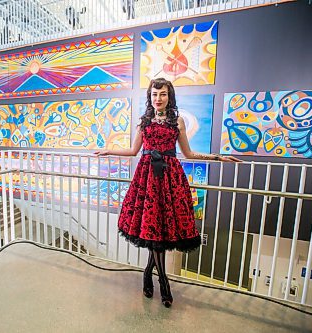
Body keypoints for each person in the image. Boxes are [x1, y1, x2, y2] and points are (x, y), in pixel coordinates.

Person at [95, 77, 241, 308]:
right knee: (153, 229)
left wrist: (217, 157)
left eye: (162, 94)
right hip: (147, 179)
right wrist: (109, 151)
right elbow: (134, 151)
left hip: (170, 178)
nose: (158, 98)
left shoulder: (178, 121)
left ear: (169, 96)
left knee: (161, 231)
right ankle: (163, 282)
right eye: (154, 94)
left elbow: (189, 154)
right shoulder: (143, 122)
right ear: (149, 96)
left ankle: (149, 274)